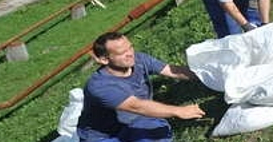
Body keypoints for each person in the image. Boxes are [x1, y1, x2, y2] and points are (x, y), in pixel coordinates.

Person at [77, 32, 205, 142]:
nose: (130, 54)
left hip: (137, 121)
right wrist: (179, 111)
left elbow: (172, 70)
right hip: (103, 137)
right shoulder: (99, 86)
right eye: (122, 52)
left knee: (159, 131)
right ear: (105, 60)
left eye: (130, 47)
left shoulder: (140, 60)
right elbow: (136, 106)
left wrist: (207, 76)